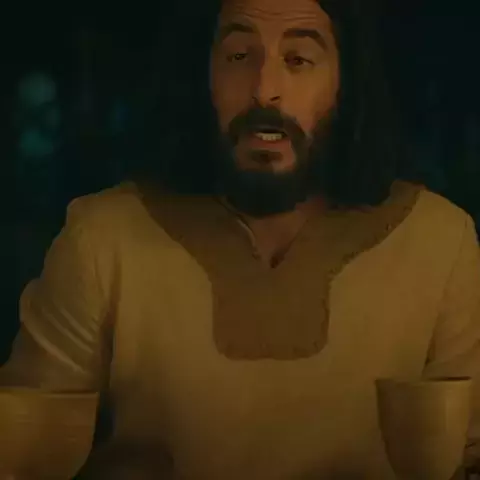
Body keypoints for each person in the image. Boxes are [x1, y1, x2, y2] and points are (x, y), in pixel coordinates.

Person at [2, 0, 480, 478]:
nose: (264, 90)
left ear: (346, 84)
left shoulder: (438, 242)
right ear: (201, 75)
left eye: (298, 60)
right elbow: (25, 450)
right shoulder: (103, 238)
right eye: (238, 56)